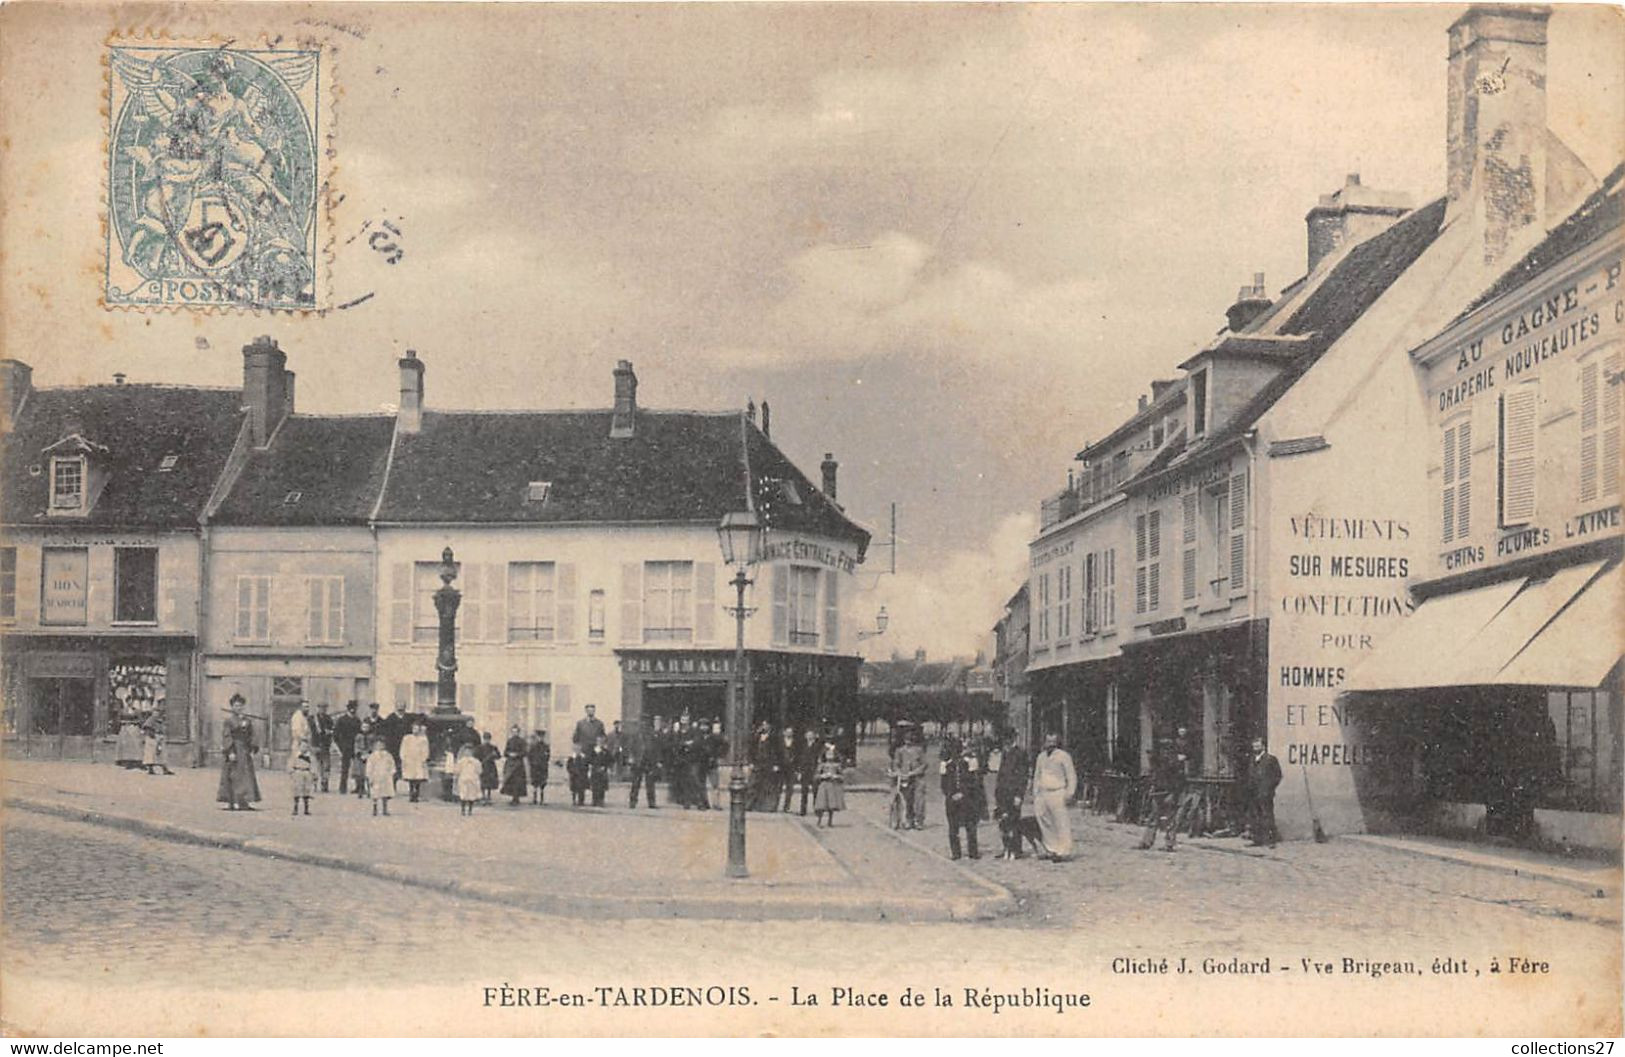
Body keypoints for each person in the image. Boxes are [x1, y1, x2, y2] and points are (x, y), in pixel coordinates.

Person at [1030, 732, 1077, 861]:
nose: (1050, 744)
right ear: (1044, 742)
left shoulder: (1063, 756)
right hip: (1043, 792)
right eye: (1048, 741)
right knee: (1043, 820)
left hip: (1057, 792)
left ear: (1057, 742)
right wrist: (1035, 793)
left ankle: (1064, 851)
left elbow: (1071, 775)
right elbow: (1037, 775)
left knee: (1060, 822)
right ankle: (1051, 848)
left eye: (1053, 742)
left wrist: (1070, 792)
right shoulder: (1041, 757)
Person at [941, 736, 983, 860]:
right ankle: (956, 852)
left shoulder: (969, 763)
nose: (955, 753)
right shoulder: (946, 765)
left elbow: (974, 783)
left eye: (957, 750)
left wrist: (963, 794)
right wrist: (951, 795)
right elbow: (943, 784)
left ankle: (973, 852)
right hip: (952, 799)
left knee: (970, 825)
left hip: (967, 799)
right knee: (953, 827)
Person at [1139, 741, 1185, 852]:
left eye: (1167, 749)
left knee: (1167, 819)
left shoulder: (1173, 763)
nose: (1165, 751)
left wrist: (1174, 793)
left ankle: (1168, 843)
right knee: (1155, 817)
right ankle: (1148, 842)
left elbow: (1178, 780)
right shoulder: (1161, 763)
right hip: (1159, 792)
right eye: (1163, 749)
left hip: (1168, 792)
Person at [216, 701, 262, 811]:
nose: (238, 708)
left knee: (245, 776)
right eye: (236, 706)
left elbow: (251, 734)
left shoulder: (247, 720)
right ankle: (231, 802)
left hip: (244, 750)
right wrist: (230, 751)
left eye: (240, 706)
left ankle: (243, 802)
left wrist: (252, 747)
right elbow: (227, 736)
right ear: (232, 707)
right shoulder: (229, 721)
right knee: (232, 775)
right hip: (234, 749)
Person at [994, 729, 1029, 860]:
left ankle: (1016, 849)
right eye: (1005, 739)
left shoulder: (1020, 753)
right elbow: (1001, 774)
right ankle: (1006, 848)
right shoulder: (1005, 753)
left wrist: (1019, 795)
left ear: (1013, 738)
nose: (1006, 741)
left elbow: (1022, 776)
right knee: (1003, 822)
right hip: (1002, 792)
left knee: (1014, 821)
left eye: (1008, 738)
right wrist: (997, 791)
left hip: (1013, 793)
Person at [1247, 737, 1283, 847]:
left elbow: (1278, 776)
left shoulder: (1271, 759)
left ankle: (1270, 841)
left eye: (1258, 746)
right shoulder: (1253, 759)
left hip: (1265, 793)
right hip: (1254, 793)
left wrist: (1269, 788)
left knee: (1267, 815)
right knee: (1255, 816)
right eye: (1254, 746)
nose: (1255, 748)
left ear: (1263, 746)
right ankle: (1257, 840)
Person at [891, 723, 929, 830]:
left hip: (918, 778)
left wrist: (915, 772)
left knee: (919, 800)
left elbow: (924, 764)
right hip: (905, 778)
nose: (908, 741)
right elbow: (896, 764)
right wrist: (898, 772)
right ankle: (909, 819)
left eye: (910, 738)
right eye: (906, 738)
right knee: (908, 800)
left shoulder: (919, 750)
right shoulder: (900, 751)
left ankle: (919, 820)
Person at [628, 716, 664, 809]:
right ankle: (633, 801)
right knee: (636, 782)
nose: (644, 724)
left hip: (649, 761)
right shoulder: (635, 734)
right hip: (638, 760)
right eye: (642, 722)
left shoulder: (653, 734)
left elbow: (657, 749)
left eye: (646, 722)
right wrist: (631, 758)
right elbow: (630, 747)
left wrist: (658, 761)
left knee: (650, 783)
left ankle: (651, 802)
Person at [812, 740, 846, 827]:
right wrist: (822, 776)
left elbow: (842, 777)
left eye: (831, 754)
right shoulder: (822, 765)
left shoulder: (837, 766)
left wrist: (836, 777)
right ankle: (819, 821)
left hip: (832, 785)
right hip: (824, 785)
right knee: (821, 804)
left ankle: (830, 821)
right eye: (828, 754)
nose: (829, 756)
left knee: (831, 804)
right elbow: (816, 776)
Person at [747, 722, 779, 811]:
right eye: (763, 725)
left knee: (766, 786)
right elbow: (751, 750)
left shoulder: (773, 739)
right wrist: (751, 762)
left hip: (768, 764)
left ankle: (764, 807)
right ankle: (749, 805)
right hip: (757, 763)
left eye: (766, 726)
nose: (764, 727)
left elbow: (776, 752)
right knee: (753, 784)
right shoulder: (756, 738)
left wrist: (775, 764)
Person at [334, 701, 362, 796]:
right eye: (351, 707)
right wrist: (341, 747)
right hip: (345, 747)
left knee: (357, 768)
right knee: (345, 768)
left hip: (356, 747)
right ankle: (343, 788)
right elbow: (336, 735)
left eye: (354, 708)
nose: (353, 709)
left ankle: (359, 787)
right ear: (348, 708)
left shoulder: (357, 720)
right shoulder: (341, 720)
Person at [400, 721, 431, 803]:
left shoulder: (423, 739)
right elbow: (403, 748)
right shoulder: (407, 738)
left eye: (417, 729)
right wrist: (403, 757)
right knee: (410, 777)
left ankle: (416, 793)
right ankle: (411, 793)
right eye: (414, 728)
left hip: (418, 759)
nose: (415, 730)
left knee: (418, 777)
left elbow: (425, 749)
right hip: (410, 759)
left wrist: (424, 758)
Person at [366, 734, 396, 816]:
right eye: (378, 745)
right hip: (376, 776)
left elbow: (392, 764)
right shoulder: (372, 756)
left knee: (385, 793)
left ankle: (385, 809)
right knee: (375, 793)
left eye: (381, 744)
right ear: (374, 746)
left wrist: (392, 772)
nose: (380, 746)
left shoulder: (388, 755)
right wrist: (369, 775)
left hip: (385, 776)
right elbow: (369, 766)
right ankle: (375, 808)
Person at [309, 702, 335, 792]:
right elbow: (310, 730)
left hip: (325, 745)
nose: (323, 710)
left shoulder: (329, 719)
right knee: (315, 766)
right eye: (321, 708)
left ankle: (324, 784)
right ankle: (314, 784)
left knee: (326, 766)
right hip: (315, 744)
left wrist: (330, 732)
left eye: (324, 708)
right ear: (318, 708)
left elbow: (332, 730)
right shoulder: (312, 719)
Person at [794, 727, 821, 817]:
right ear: (805, 736)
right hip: (804, 771)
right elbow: (799, 759)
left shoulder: (818, 746)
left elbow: (819, 758)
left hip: (813, 770)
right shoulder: (802, 746)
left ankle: (817, 809)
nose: (809, 736)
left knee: (815, 791)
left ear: (814, 736)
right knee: (804, 791)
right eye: (808, 735)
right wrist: (799, 771)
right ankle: (803, 810)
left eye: (811, 735)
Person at [501, 725, 529, 806]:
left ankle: (516, 798)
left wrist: (516, 754)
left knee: (518, 782)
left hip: (518, 764)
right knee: (510, 781)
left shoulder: (522, 741)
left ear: (518, 732)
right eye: (513, 732)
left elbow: (525, 752)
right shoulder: (509, 741)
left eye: (516, 732)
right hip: (510, 763)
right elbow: (505, 752)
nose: (514, 733)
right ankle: (513, 797)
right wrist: (509, 754)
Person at [140, 711, 175, 776]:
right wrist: (152, 735)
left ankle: (165, 769)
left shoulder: (160, 721)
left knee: (162, 753)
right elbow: (147, 728)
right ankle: (150, 769)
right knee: (151, 754)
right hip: (152, 738)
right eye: (156, 713)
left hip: (159, 737)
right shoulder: (150, 720)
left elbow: (162, 729)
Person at [455, 744, 483, 816]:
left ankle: (470, 810)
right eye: (466, 751)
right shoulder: (461, 761)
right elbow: (457, 770)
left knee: (471, 794)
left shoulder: (476, 762)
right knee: (463, 794)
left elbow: (479, 771)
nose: (468, 753)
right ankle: (463, 809)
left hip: (473, 779)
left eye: (469, 751)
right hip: (464, 778)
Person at [777, 727, 800, 812]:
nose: (789, 734)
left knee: (789, 788)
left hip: (791, 768)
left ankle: (786, 807)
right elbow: (776, 754)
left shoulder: (796, 743)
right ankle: (775, 805)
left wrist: (797, 769)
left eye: (791, 732)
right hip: (781, 766)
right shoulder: (779, 743)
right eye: (787, 732)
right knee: (778, 787)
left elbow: (798, 755)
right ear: (784, 732)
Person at [588, 734, 613, 807]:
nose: (601, 743)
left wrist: (607, 767)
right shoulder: (593, 750)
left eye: (602, 741)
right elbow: (589, 760)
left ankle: (601, 800)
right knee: (595, 786)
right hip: (595, 770)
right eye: (599, 741)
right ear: (596, 742)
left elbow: (610, 760)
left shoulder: (606, 751)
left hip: (603, 771)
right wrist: (591, 767)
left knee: (602, 786)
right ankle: (594, 800)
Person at [527, 730, 552, 805]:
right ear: (537, 737)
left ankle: (541, 799)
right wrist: (532, 764)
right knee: (534, 783)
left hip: (542, 767)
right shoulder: (533, 746)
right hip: (535, 767)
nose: (541, 738)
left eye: (542, 737)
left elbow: (548, 756)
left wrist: (544, 763)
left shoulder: (546, 746)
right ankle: (534, 799)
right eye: (539, 737)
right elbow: (529, 756)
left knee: (542, 783)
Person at [476, 732, 501, 805]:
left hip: (491, 766)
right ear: (483, 739)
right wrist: (481, 761)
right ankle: (483, 796)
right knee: (483, 781)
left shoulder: (493, 747)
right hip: (483, 766)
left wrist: (494, 755)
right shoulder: (479, 747)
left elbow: (499, 756)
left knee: (490, 782)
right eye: (485, 739)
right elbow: (476, 756)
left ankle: (488, 796)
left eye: (488, 739)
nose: (487, 741)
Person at [289, 749, 315, 816]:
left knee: (306, 790)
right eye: (303, 746)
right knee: (297, 790)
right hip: (298, 772)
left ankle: (306, 809)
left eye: (306, 746)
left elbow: (313, 765)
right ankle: (295, 809)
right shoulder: (296, 755)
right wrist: (292, 772)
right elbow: (291, 764)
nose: (304, 748)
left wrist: (313, 774)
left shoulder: (310, 756)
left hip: (307, 773)